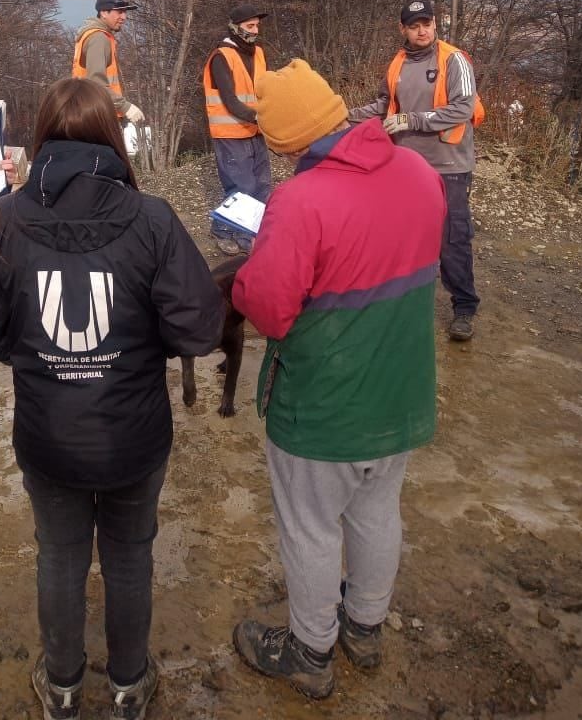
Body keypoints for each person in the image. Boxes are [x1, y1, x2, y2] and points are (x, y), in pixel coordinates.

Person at [0, 77, 222, 720]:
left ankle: (63, 688)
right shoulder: (151, 218)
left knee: (59, 556)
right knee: (130, 558)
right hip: (134, 436)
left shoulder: (3, 218)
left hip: (48, 436)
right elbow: (199, 329)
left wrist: (35, 357)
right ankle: (129, 686)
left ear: (43, 137)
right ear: (112, 138)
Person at [230, 59, 444, 701]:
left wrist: (248, 269)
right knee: (378, 510)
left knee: (311, 527)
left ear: (283, 137)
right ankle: (365, 627)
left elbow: (268, 309)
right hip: (401, 391)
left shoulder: (299, 199)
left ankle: (310, 648)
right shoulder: (419, 172)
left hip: (325, 405)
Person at [348, 0, 482, 341]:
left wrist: (413, 120)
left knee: (451, 238)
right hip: (406, 164)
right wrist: (345, 113)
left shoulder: (454, 60)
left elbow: (463, 108)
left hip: (448, 165)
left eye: (427, 23)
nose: (422, 31)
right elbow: (385, 105)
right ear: (403, 29)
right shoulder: (398, 63)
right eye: (414, 25)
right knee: (403, 236)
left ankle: (464, 308)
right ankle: (401, 303)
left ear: (435, 23)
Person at [202, 2, 272, 256]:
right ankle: (222, 230)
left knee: (261, 185)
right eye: (250, 26)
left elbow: (266, 89)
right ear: (235, 27)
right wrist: (260, 117)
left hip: (254, 130)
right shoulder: (221, 56)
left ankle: (248, 233)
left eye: (257, 26)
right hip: (231, 132)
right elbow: (230, 101)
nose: (255, 31)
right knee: (241, 186)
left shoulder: (258, 54)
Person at [73, 0, 144, 125]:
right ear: (104, 13)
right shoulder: (99, 38)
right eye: (119, 12)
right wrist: (125, 107)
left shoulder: (93, 34)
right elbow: (96, 84)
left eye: (125, 12)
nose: (124, 17)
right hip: (97, 116)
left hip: (88, 112)